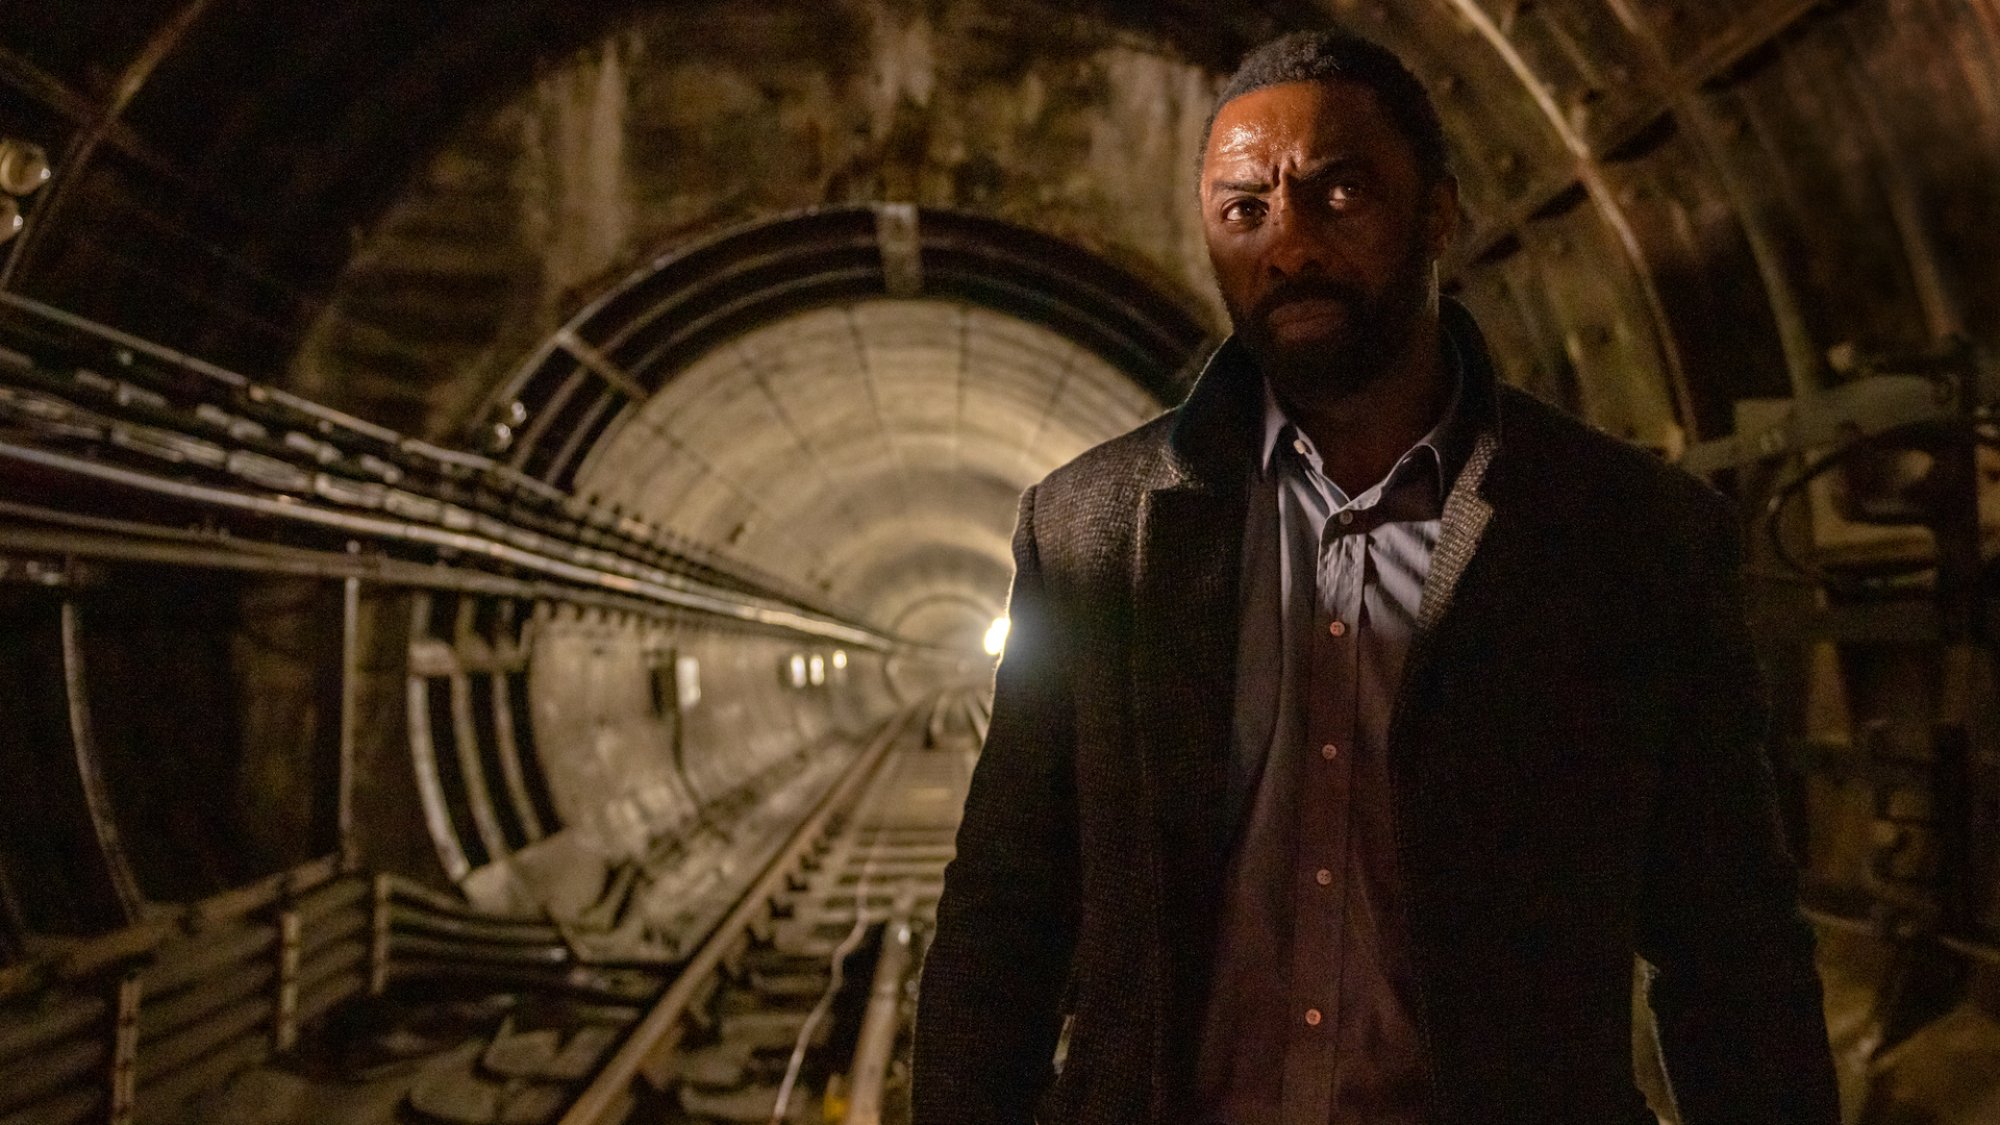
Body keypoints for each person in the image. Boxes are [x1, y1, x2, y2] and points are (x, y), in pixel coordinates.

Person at [912, 29, 1840, 1125]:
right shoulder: (1090, 532)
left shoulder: (1624, 537)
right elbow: (1004, 915)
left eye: (1336, 194)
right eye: (1242, 210)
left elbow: (1725, 944)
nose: (1288, 244)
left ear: (1438, 213)